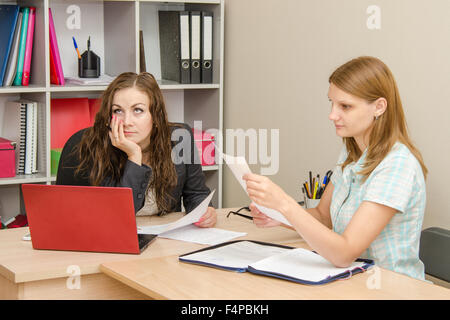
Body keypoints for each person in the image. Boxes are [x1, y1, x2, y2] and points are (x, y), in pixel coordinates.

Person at [243, 56, 428, 280]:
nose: (332, 115)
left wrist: (285, 204)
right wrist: (280, 216)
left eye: (345, 106)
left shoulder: (397, 165)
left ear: (379, 107)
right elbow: (323, 217)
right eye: (332, 103)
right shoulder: (352, 152)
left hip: (389, 286)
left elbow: (344, 253)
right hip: (350, 279)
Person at [56, 72, 216, 227]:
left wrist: (204, 210)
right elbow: (118, 214)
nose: (127, 121)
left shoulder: (179, 137)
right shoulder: (89, 146)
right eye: (117, 111)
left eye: (137, 110)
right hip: (105, 236)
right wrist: (134, 155)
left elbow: (196, 194)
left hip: (163, 236)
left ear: (155, 115)